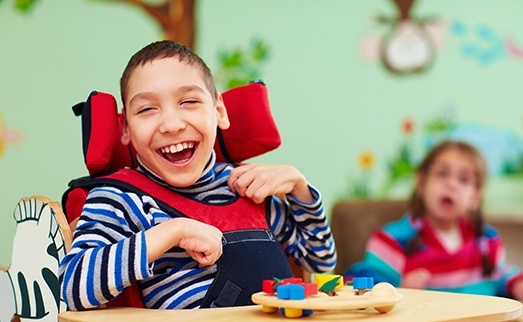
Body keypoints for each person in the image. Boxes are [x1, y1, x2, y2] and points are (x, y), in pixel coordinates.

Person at [59, 40, 337, 310]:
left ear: (218, 111)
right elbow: (69, 287)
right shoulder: (120, 198)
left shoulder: (248, 187)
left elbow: (320, 262)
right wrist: (171, 231)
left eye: (189, 101)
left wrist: (300, 189)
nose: (171, 124)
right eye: (146, 109)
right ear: (126, 129)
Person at [344, 140, 523, 301]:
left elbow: (501, 275)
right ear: (421, 183)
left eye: (463, 179)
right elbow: (356, 287)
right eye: (442, 173)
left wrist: (516, 284)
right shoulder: (393, 241)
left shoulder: (488, 242)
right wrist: (399, 292)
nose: (451, 184)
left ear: (475, 198)